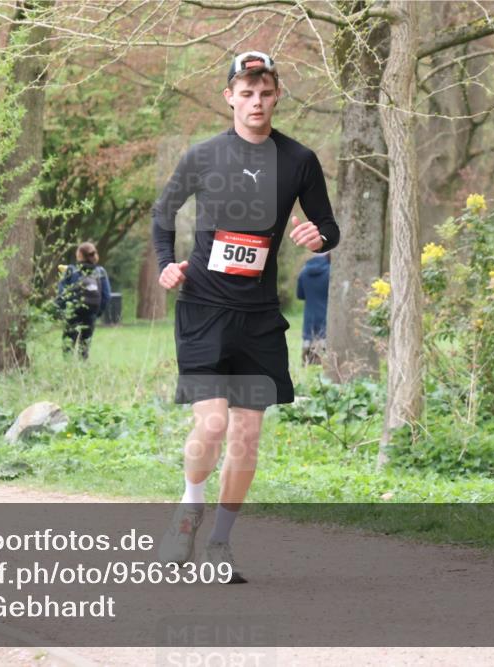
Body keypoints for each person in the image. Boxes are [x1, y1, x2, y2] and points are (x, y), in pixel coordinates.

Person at [153, 51, 339, 581]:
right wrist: (167, 265)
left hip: (258, 317)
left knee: (247, 437)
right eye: (246, 92)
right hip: (205, 310)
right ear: (230, 96)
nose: (256, 101)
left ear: (276, 96)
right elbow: (163, 213)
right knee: (211, 423)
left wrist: (318, 235)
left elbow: (327, 224)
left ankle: (219, 542)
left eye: (265, 92)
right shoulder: (204, 155)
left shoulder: (299, 159)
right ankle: (189, 511)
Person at [55, 241, 111, 359]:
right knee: (84, 346)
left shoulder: (71, 270)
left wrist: (63, 311)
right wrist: (97, 312)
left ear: (80, 255)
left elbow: (61, 293)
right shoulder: (100, 271)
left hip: (72, 313)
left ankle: (68, 370)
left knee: (68, 345)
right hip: (91, 313)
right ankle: (83, 370)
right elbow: (106, 295)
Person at [296, 252, 331, 365]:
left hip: (309, 316)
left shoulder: (304, 271)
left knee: (309, 339)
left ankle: (308, 358)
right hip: (327, 314)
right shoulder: (331, 271)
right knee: (324, 340)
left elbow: (300, 295)